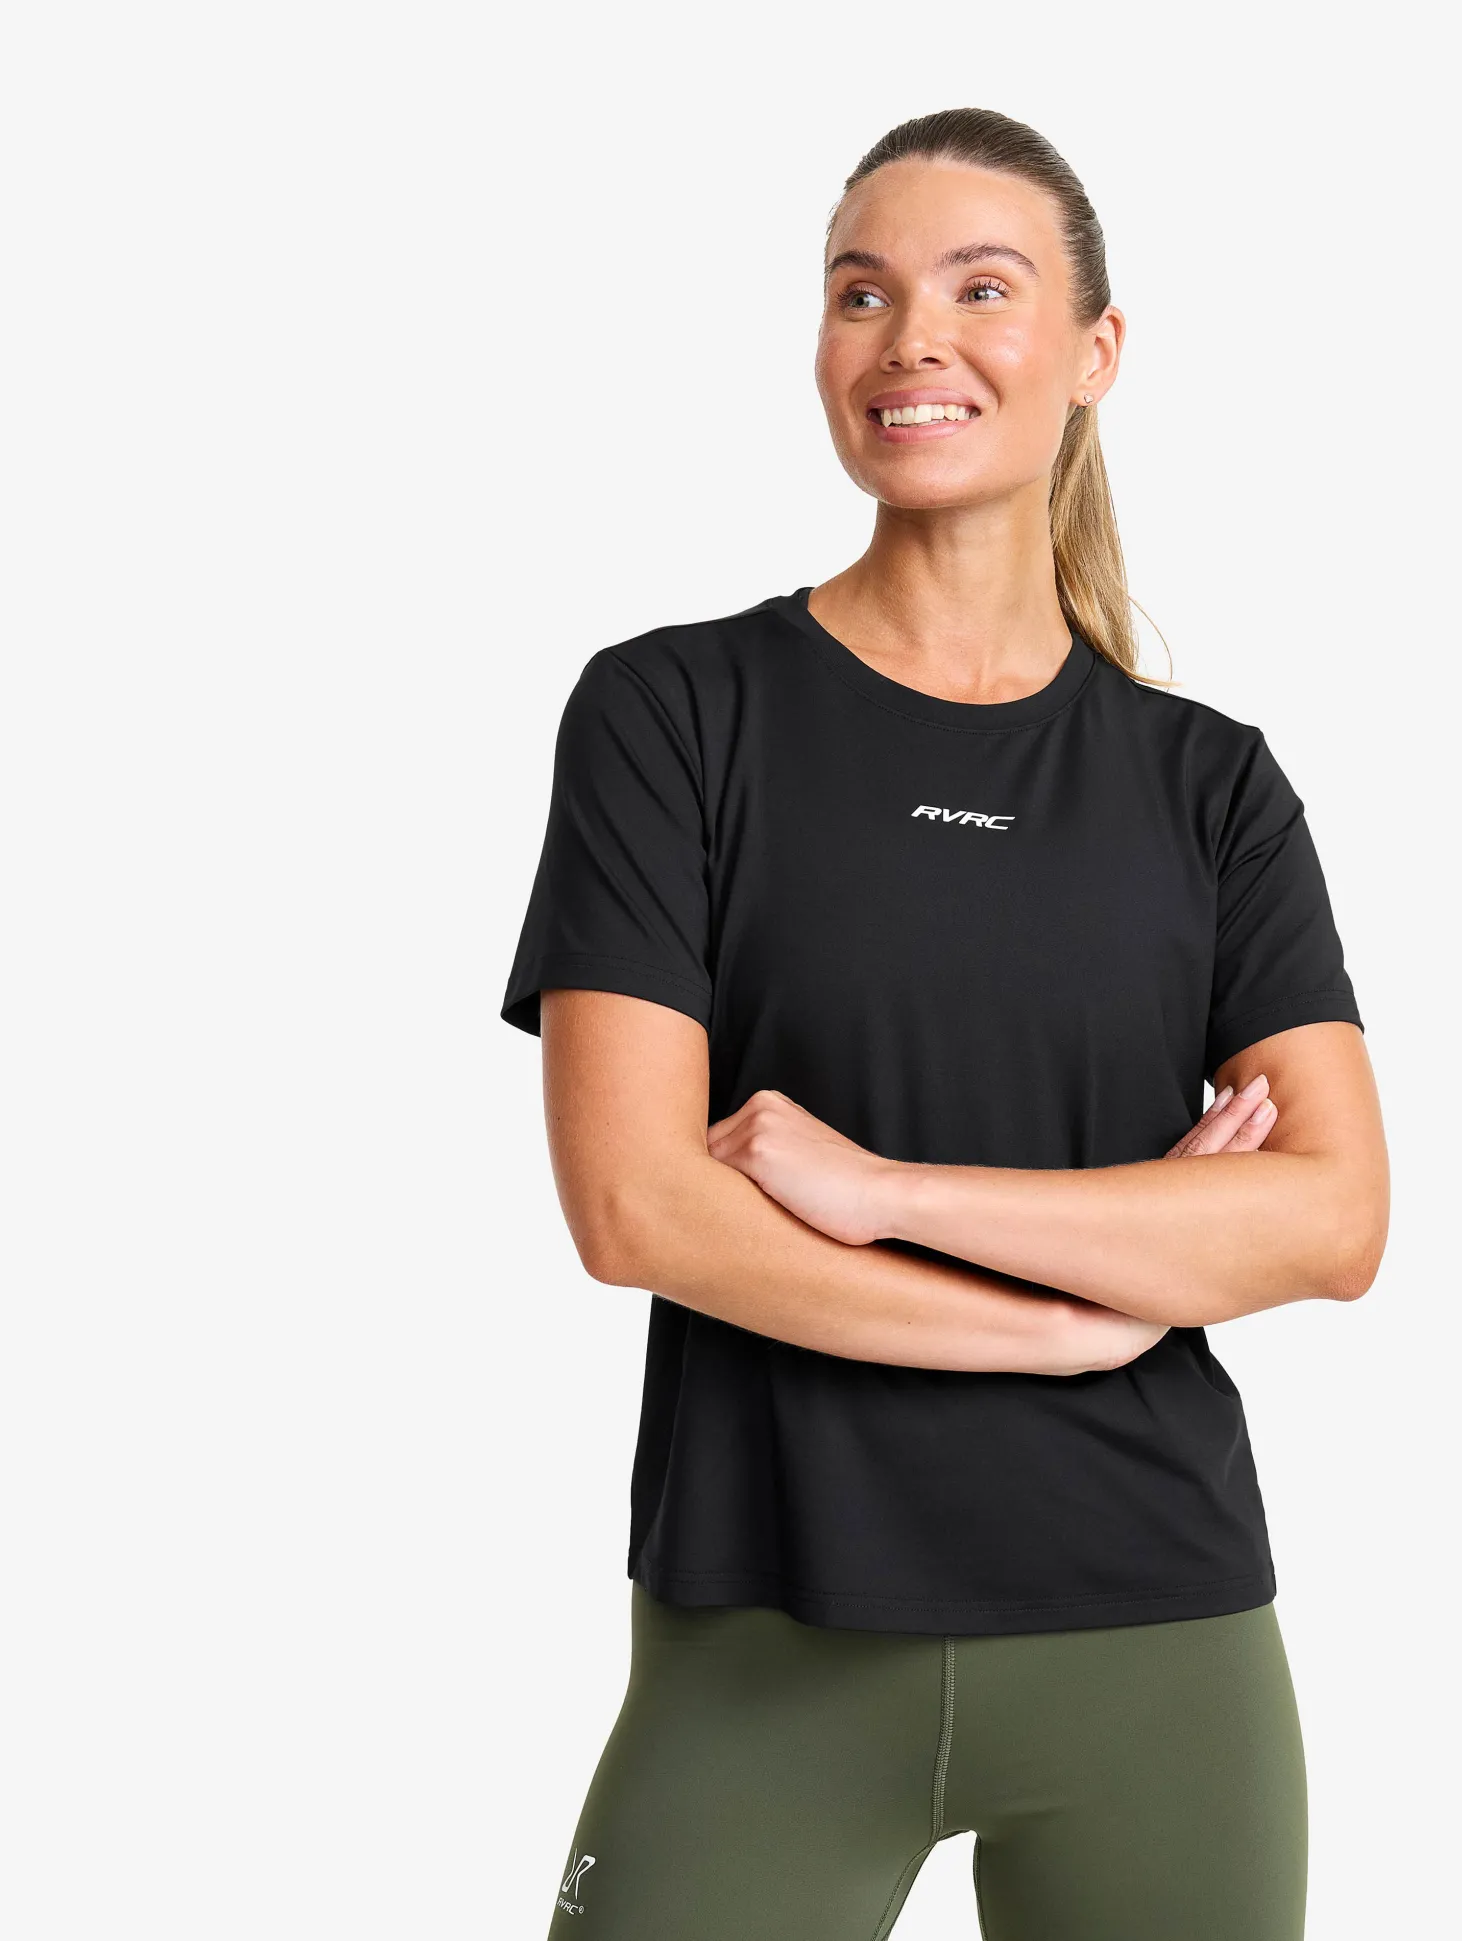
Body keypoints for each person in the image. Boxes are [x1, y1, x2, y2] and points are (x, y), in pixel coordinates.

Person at [501, 106, 1389, 1941]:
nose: (912, 338)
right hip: (772, 1629)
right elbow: (638, 1209)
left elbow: (1332, 1220)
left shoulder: (1208, 787)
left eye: (983, 289)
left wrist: (884, 1189)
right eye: (862, 293)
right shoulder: (674, 715)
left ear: (1094, 351)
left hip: (1160, 1632)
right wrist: (1070, 1324)